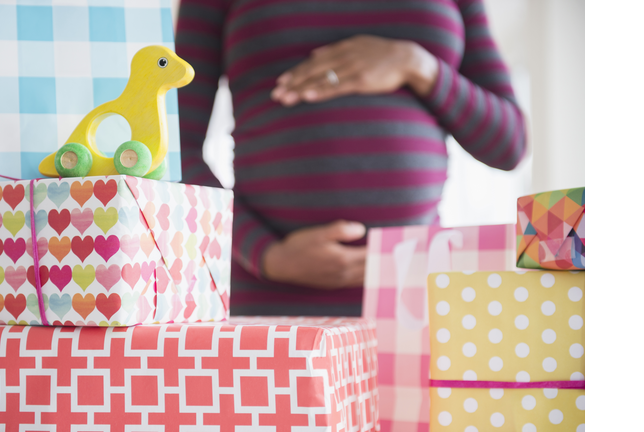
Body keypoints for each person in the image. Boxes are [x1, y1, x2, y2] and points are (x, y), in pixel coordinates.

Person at [175, 0, 526, 316]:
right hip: (268, 295)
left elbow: (510, 144)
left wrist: (417, 66)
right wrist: (264, 253)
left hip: (416, 294)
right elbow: (172, 148)